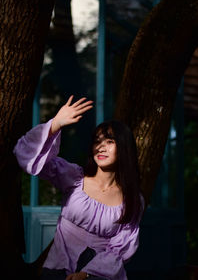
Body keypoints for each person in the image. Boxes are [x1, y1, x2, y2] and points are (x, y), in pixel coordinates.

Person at [13, 95, 144, 280]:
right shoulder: (74, 178)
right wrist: (55, 124)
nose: (101, 147)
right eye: (97, 141)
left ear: (124, 148)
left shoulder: (132, 199)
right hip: (57, 269)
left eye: (110, 142)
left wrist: (87, 273)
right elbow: (25, 155)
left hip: (100, 275)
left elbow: (121, 248)